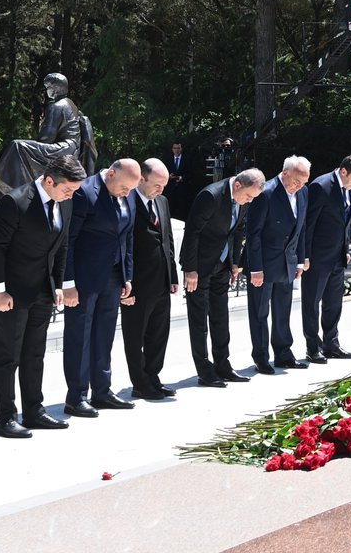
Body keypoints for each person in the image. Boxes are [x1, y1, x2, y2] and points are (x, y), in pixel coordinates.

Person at [0, 155, 87, 438]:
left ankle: (34, 411)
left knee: (34, 354)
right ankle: (5, 417)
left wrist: (58, 285)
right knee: (9, 355)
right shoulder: (15, 202)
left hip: (43, 290)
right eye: (68, 189)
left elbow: (62, 247)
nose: (71, 195)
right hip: (12, 293)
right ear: (50, 180)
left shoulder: (64, 205)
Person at [61, 159, 142, 418]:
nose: (127, 193)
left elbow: (127, 238)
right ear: (110, 174)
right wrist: (68, 283)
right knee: (79, 337)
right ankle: (76, 396)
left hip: (113, 276)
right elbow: (69, 240)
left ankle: (102, 390)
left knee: (104, 335)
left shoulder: (127, 196)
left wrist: (126, 275)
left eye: (131, 189)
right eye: (124, 187)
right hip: (85, 279)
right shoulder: (85, 192)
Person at [179, 168, 265, 387]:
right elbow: (192, 232)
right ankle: (204, 369)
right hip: (199, 267)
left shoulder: (243, 198)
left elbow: (238, 231)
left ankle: (223, 365)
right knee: (199, 320)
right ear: (238, 185)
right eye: (248, 196)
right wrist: (190, 269)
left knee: (220, 317)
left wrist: (235, 263)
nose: (248, 201)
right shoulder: (211, 195)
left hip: (223, 265)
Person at [119, 159, 179, 401]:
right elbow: (123, 246)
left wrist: (173, 275)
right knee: (135, 336)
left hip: (162, 282)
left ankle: (153, 377)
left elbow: (168, 240)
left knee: (158, 334)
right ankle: (140, 383)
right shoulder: (127, 202)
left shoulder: (162, 202)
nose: (160, 190)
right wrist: (125, 282)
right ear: (141, 179)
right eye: (156, 185)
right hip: (137, 284)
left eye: (164, 185)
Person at [245, 156, 311, 374]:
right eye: (296, 181)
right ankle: (261, 357)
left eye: (303, 182)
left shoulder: (303, 192)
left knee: (283, 311)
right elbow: (253, 234)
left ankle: (283, 354)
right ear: (285, 174)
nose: (299, 186)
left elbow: (301, 228)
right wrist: (256, 269)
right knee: (260, 312)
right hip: (264, 263)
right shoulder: (266, 193)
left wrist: (300, 260)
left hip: (287, 262)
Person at [0, 73, 95, 194]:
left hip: (62, 149)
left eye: (48, 88)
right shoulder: (70, 104)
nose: (47, 91)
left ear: (56, 89)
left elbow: (46, 138)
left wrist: (35, 145)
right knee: (20, 147)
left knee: (17, 145)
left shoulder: (56, 106)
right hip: (70, 149)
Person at [302, 155, 351, 361]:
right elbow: (308, 224)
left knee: (333, 303)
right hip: (317, 256)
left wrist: (345, 249)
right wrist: (305, 256)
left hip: (338, 256)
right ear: (344, 171)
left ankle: (331, 343)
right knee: (312, 302)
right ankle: (313, 347)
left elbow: (345, 222)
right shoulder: (321, 186)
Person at [163, 141, 194, 220]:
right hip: (170, 189)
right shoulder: (167, 159)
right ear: (172, 149)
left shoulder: (187, 159)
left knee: (182, 208)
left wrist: (182, 178)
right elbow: (163, 172)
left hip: (183, 188)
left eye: (178, 148)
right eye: (175, 148)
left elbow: (192, 173)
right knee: (170, 208)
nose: (177, 150)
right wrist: (168, 176)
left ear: (181, 149)